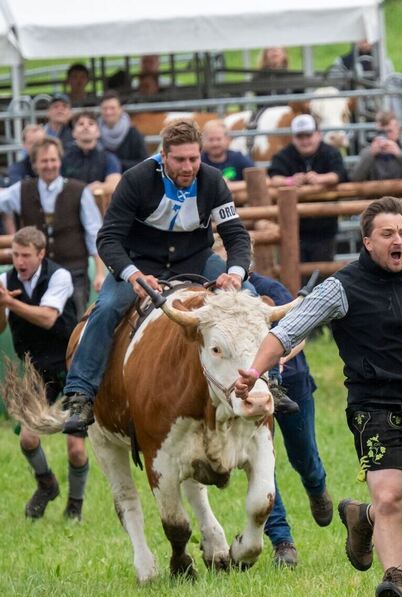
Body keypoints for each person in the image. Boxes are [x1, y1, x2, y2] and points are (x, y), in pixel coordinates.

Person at [233, 197, 402, 597]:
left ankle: (361, 516)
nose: (398, 241)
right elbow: (285, 332)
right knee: (389, 497)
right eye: (388, 234)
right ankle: (395, 583)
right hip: (373, 407)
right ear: (368, 241)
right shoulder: (342, 287)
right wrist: (253, 372)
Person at [60, 120, 255, 435]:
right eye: (180, 160)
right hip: (140, 263)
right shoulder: (135, 180)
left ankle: (270, 379)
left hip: (196, 260)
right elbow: (108, 239)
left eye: (194, 159)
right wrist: (132, 275)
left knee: (248, 295)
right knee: (108, 306)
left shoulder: (214, 180)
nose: (189, 166)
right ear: (163, 156)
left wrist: (234, 273)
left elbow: (236, 236)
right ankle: (79, 394)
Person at [0, 227, 89, 521]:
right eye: (15, 254)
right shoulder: (5, 281)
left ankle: (74, 507)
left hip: (72, 367)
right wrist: (2, 305)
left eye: (26, 255)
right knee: (27, 439)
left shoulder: (60, 277)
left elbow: (49, 318)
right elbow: (1, 327)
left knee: (76, 449)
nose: (20, 261)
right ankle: (46, 484)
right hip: (38, 371)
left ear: (41, 254)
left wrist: (10, 302)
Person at [247, 273, 332, 569]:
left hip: (291, 383)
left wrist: (277, 358)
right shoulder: (213, 294)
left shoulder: (269, 288)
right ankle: (282, 540)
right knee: (259, 464)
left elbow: (301, 331)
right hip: (247, 392)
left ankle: (316, 486)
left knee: (303, 454)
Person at [0, 136, 106, 318]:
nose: (49, 165)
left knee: (76, 326)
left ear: (60, 161)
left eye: (53, 160)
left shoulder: (79, 191)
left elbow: (94, 233)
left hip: (75, 272)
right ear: (34, 164)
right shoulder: (21, 190)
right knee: (39, 326)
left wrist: (99, 272)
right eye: (44, 161)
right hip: (37, 274)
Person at [268, 114, 348, 263]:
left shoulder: (330, 152)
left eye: (308, 135)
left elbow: (340, 174)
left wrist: (320, 179)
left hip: (325, 227)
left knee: (323, 271)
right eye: (300, 137)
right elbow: (273, 177)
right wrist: (290, 181)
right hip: (292, 229)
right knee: (294, 271)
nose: (305, 141)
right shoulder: (284, 155)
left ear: (318, 135)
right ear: (293, 138)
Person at [351, 112, 402, 182]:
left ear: (398, 130)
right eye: (381, 132)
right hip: (375, 195)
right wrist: (370, 155)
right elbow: (354, 178)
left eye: (389, 131)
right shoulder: (368, 152)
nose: (385, 135)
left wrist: (399, 154)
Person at [61, 111, 122, 191]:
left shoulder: (109, 158)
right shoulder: (63, 158)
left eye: (91, 123)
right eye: (81, 124)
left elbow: (114, 185)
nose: (86, 126)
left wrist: (99, 187)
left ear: (98, 132)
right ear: (73, 133)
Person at [98, 92, 149, 173]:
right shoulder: (95, 132)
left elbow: (144, 162)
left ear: (120, 109)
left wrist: (116, 164)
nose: (108, 112)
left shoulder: (133, 133)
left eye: (112, 108)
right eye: (105, 108)